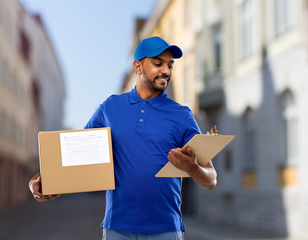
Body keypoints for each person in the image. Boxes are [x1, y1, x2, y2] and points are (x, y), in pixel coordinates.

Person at [29, 36, 217, 240]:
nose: (166, 71)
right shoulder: (110, 108)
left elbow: (211, 180)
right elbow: (76, 157)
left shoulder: (181, 115)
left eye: (170, 65)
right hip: (117, 229)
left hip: (166, 230)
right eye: (158, 63)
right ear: (138, 67)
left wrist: (192, 168)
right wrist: (40, 182)